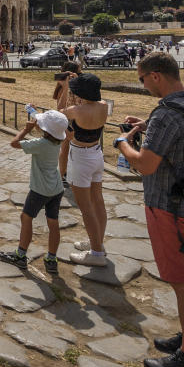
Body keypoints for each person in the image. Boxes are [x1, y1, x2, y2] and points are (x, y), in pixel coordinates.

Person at [115, 52, 184, 367]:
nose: (143, 86)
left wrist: (122, 143)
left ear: (156, 76)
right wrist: (147, 125)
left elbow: (145, 164)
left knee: (181, 282)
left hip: (168, 206)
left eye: (142, 79)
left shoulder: (167, 115)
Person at [0, 109, 69, 274]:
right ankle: (51, 259)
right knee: (53, 223)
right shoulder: (56, 143)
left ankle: (20, 255)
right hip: (56, 188)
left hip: (40, 190)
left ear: (45, 130)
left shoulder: (40, 144)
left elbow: (14, 143)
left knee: (26, 217)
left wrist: (26, 129)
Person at [61, 73, 110, 267]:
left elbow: (61, 112)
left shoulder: (77, 110)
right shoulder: (104, 105)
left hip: (81, 156)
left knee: (86, 207)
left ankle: (96, 253)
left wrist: (66, 88)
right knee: (98, 201)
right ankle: (97, 241)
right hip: (97, 154)